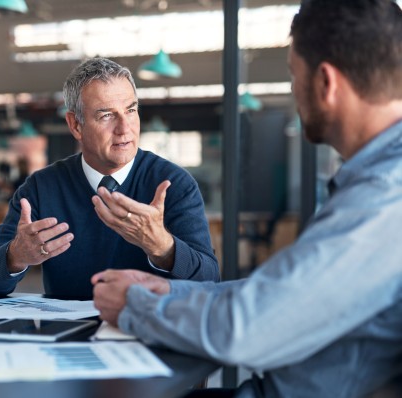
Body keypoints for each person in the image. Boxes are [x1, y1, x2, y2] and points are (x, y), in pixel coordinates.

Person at [91, 1, 402, 397]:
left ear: (327, 83)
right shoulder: (376, 182)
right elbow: (283, 295)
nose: (294, 91)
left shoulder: (385, 194)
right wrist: (170, 291)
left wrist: (136, 306)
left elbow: (250, 327)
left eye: (294, 75)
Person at [0, 57, 220, 299]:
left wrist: (163, 247)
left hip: (145, 331)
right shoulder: (40, 188)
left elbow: (210, 281)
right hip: (64, 335)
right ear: (76, 125)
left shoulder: (173, 184)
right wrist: (15, 255)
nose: (125, 128)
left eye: (131, 110)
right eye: (107, 115)